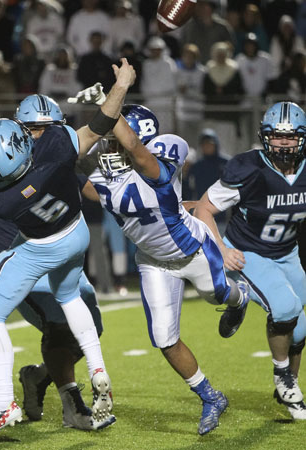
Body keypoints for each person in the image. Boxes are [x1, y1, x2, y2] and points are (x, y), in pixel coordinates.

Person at [0, 58, 136, 442]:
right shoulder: (59, 148)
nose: (40, 134)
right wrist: (121, 85)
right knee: (67, 310)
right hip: (74, 236)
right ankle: (94, 373)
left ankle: (4, 402)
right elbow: (100, 124)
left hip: (40, 248)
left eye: (43, 128)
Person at [71, 95, 250, 435]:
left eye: (114, 139)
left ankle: (238, 299)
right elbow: (92, 185)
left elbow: (139, 153)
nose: (108, 148)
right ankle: (210, 396)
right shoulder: (106, 172)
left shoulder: (165, 151)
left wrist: (112, 101)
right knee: (164, 339)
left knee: (218, 293)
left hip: (193, 249)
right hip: (153, 261)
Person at [194, 101, 306, 420]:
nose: (283, 143)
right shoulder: (250, 168)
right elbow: (204, 209)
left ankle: (289, 383)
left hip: (287, 252)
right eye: (276, 136)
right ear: (264, 136)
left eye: (291, 136)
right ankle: (283, 377)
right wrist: (222, 250)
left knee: (300, 330)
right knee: (285, 308)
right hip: (249, 251)